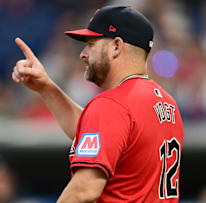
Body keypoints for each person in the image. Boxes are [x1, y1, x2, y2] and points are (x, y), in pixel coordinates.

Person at [12, 5, 184, 202]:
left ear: (116, 46)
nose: (83, 54)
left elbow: (84, 190)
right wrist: (46, 87)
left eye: (91, 44)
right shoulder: (167, 103)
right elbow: (104, 134)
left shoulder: (112, 104)